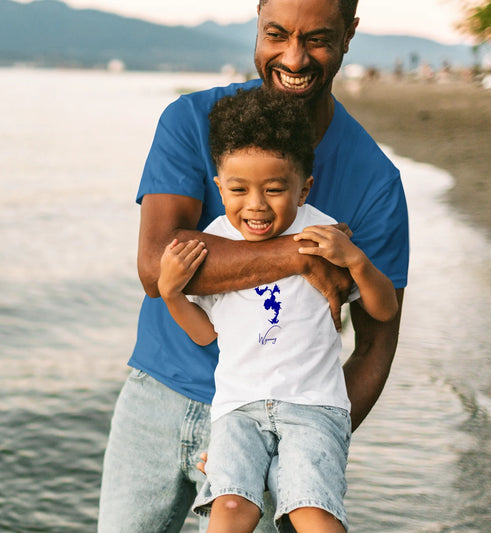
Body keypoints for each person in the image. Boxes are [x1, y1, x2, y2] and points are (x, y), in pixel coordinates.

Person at [98, 0, 409, 531]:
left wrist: (308, 443)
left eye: (316, 38)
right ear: (258, 26)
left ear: (349, 34)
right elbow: (156, 268)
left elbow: (378, 338)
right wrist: (297, 256)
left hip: (281, 419)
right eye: (276, 34)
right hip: (157, 396)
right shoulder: (191, 121)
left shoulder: (375, 180)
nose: (293, 56)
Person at [158, 87, 399, 533]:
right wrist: (172, 294)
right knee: (230, 510)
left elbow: (382, 311)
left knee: (313, 512)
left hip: (313, 406)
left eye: (273, 189)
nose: (255, 204)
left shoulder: (325, 235)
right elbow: (205, 334)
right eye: (238, 189)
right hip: (238, 409)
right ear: (219, 186)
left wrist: (358, 262)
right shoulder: (213, 241)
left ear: (303, 187)